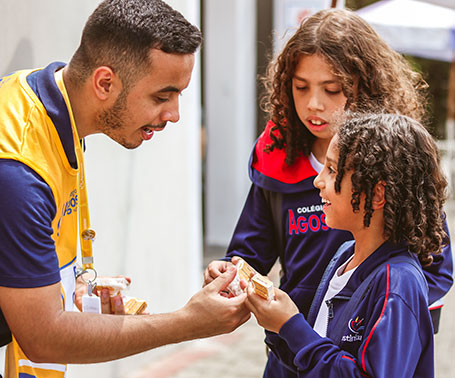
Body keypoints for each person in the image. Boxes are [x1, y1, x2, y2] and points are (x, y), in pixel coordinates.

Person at [0, 1, 250, 377]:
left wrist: (70, 291)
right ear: (104, 83)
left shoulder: (43, 99)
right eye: (162, 96)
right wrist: (189, 323)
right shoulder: (18, 171)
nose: (174, 115)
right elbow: (43, 338)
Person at [203, 8, 453, 377]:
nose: (314, 104)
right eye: (300, 87)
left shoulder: (394, 159)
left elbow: (434, 265)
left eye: (332, 89)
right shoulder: (276, 157)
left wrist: (378, 321)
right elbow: (249, 251)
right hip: (292, 351)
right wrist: (233, 273)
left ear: (365, 86)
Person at [244, 112, 446, 377]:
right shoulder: (343, 257)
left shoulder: (398, 284)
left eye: (332, 170)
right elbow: (314, 358)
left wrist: (291, 324)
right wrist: (276, 321)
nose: (318, 181)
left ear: (377, 194)